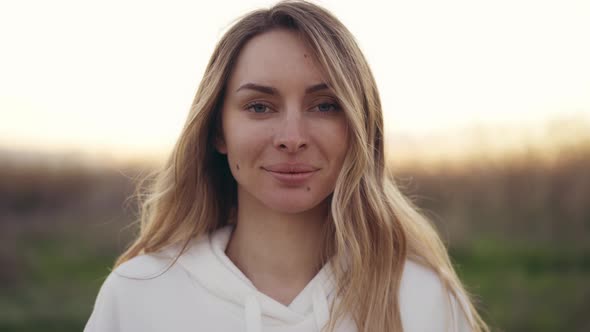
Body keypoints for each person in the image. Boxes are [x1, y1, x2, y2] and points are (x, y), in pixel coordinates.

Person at [85, 1, 490, 331]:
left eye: (324, 106)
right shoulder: (139, 295)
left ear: (359, 129)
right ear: (217, 131)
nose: (292, 136)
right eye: (260, 106)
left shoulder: (421, 299)